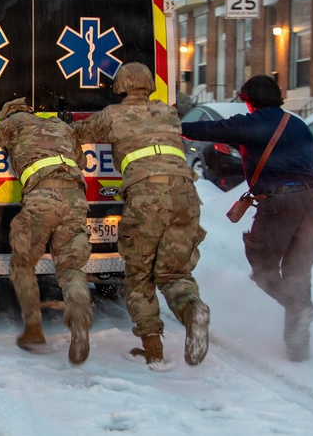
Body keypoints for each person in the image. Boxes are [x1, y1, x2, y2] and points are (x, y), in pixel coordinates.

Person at [73, 62, 210, 368]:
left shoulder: (112, 115)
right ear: (148, 85)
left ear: (120, 86)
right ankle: (193, 310)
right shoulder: (167, 112)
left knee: (139, 276)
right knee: (175, 273)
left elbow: (78, 133)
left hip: (148, 197)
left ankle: (154, 350)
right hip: (186, 195)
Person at [180, 74, 313, 362]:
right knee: (299, 272)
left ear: (250, 100)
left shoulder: (253, 122)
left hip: (280, 202)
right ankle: (298, 346)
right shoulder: (297, 124)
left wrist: (175, 126)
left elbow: (213, 129)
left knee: (264, 268)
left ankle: (297, 308)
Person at [0, 98, 93, 365]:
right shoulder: (59, 125)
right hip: (76, 197)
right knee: (71, 267)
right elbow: (78, 156)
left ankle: (33, 329)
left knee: (23, 263)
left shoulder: (12, 124)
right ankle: (78, 313)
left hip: (42, 196)